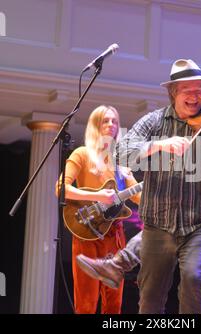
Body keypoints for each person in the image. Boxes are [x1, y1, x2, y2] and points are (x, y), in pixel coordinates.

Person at [76, 59, 201, 314]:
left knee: (194, 278)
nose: (196, 97)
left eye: (200, 90)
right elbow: (120, 153)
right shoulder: (154, 122)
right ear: (174, 92)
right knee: (150, 299)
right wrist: (158, 145)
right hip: (157, 224)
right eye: (189, 90)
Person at [56, 105, 140, 314]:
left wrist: (160, 187)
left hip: (115, 235)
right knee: (86, 302)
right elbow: (60, 189)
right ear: (95, 125)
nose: (111, 125)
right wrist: (97, 195)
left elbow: (138, 196)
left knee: (114, 304)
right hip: (88, 233)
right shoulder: (82, 154)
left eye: (115, 121)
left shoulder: (120, 161)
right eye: (106, 121)